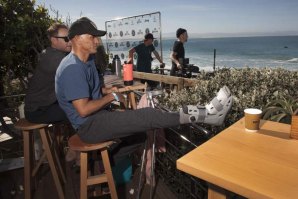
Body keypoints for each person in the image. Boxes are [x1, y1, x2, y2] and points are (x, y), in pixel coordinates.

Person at [55, 17, 233, 145]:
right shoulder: (73, 68)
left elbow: (89, 92)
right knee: (148, 115)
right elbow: (83, 109)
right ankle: (208, 115)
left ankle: (113, 175)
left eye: (97, 36)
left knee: (139, 137)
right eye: (92, 36)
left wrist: (106, 92)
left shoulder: (87, 61)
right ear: (77, 38)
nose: (97, 41)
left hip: (97, 118)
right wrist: (111, 97)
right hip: (89, 126)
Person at [25, 23, 71, 123]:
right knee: (80, 111)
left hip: (46, 104)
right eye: (66, 38)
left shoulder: (51, 53)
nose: (70, 41)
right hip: (38, 110)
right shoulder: (55, 58)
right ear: (54, 40)